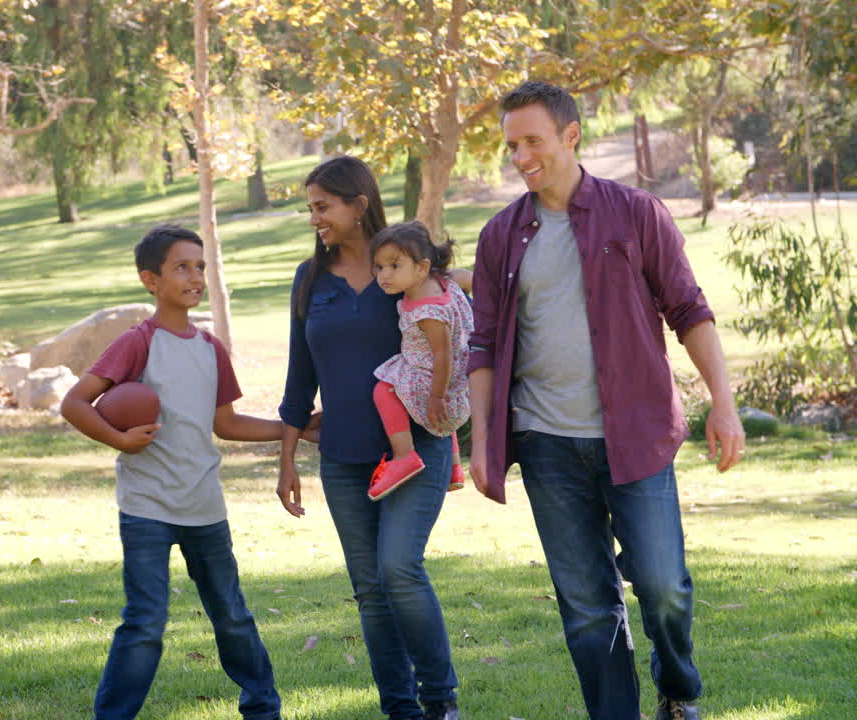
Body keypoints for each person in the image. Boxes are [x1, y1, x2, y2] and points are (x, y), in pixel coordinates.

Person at [466, 81, 745, 720]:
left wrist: (723, 404)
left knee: (663, 586)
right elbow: (482, 344)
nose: (521, 157)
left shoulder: (636, 212)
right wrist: (481, 442)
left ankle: (677, 689)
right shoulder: (500, 235)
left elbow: (689, 309)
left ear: (571, 136)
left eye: (532, 141)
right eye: (512, 146)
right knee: (588, 607)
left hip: (637, 436)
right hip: (545, 443)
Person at [61, 224, 297, 720]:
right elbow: (75, 403)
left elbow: (225, 423)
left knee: (231, 615)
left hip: (204, 505)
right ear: (151, 280)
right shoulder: (137, 342)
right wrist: (120, 440)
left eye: (200, 267)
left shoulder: (211, 348)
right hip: (146, 506)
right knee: (145, 622)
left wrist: (293, 429)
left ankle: (263, 710)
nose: (195, 277)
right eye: (182, 268)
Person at [277, 156, 462, 720]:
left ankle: (440, 701)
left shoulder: (404, 269)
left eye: (323, 206)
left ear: (359, 205)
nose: (315, 218)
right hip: (342, 457)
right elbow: (299, 378)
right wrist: (287, 461)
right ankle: (400, 709)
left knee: (399, 570)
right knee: (371, 590)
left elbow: (458, 326)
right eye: (310, 208)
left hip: (415, 449)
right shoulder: (310, 279)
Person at [368, 221, 473, 500]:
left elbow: (442, 354)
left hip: (434, 377)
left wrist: (437, 396)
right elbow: (467, 278)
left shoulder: (427, 312)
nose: (384, 275)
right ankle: (453, 466)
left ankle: (404, 455)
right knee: (440, 416)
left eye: (394, 266)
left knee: (384, 389)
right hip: (455, 379)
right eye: (379, 267)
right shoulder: (446, 281)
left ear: (422, 267)